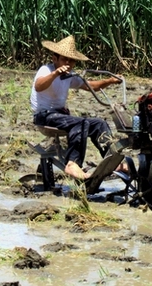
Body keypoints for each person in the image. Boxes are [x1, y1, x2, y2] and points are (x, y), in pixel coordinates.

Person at [30, 35, 124, 180]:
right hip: (44, 116)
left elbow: (91, 85)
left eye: (71, 60)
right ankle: (72, 163)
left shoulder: (70, 76)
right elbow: (39, 86)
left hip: (61, 116)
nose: (67, 63)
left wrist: (110, 81)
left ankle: (111, 161)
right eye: (64, 59)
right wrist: (56, 73)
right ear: (55, 58)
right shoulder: (46, 70)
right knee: (80, 122)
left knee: (99, 124)